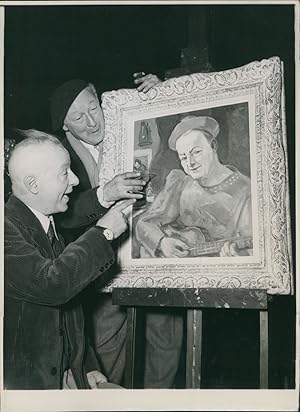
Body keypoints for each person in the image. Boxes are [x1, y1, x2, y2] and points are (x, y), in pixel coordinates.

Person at [49, 75, 164, 386]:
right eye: (78, 118)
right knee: (105, 352)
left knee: (164, 338)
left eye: (93, 108)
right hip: (100, 274)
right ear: (65, 128)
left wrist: (161, 93)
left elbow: (167, 138)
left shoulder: (128, 120)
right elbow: (63, 214)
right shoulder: (58, 157)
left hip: (156, 255)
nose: (91, 121)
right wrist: (104, 194)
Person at [4, 132, 135, 389]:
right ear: (33, 185)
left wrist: (86, 366)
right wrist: (103, 233)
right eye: (65, 173)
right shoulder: (5, 230)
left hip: (65, 375)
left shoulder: (48, 223)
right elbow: (54, 285)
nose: (75, 180)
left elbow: (69, 314)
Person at [135, 115, 252, 258]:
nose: (190, 163)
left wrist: (239, 256)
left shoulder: (247, 190)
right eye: (183, 157)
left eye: (196, 152)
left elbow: (254, 249)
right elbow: (144, 224)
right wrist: (162, 242)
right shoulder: (180, 183)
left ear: (213, 146)